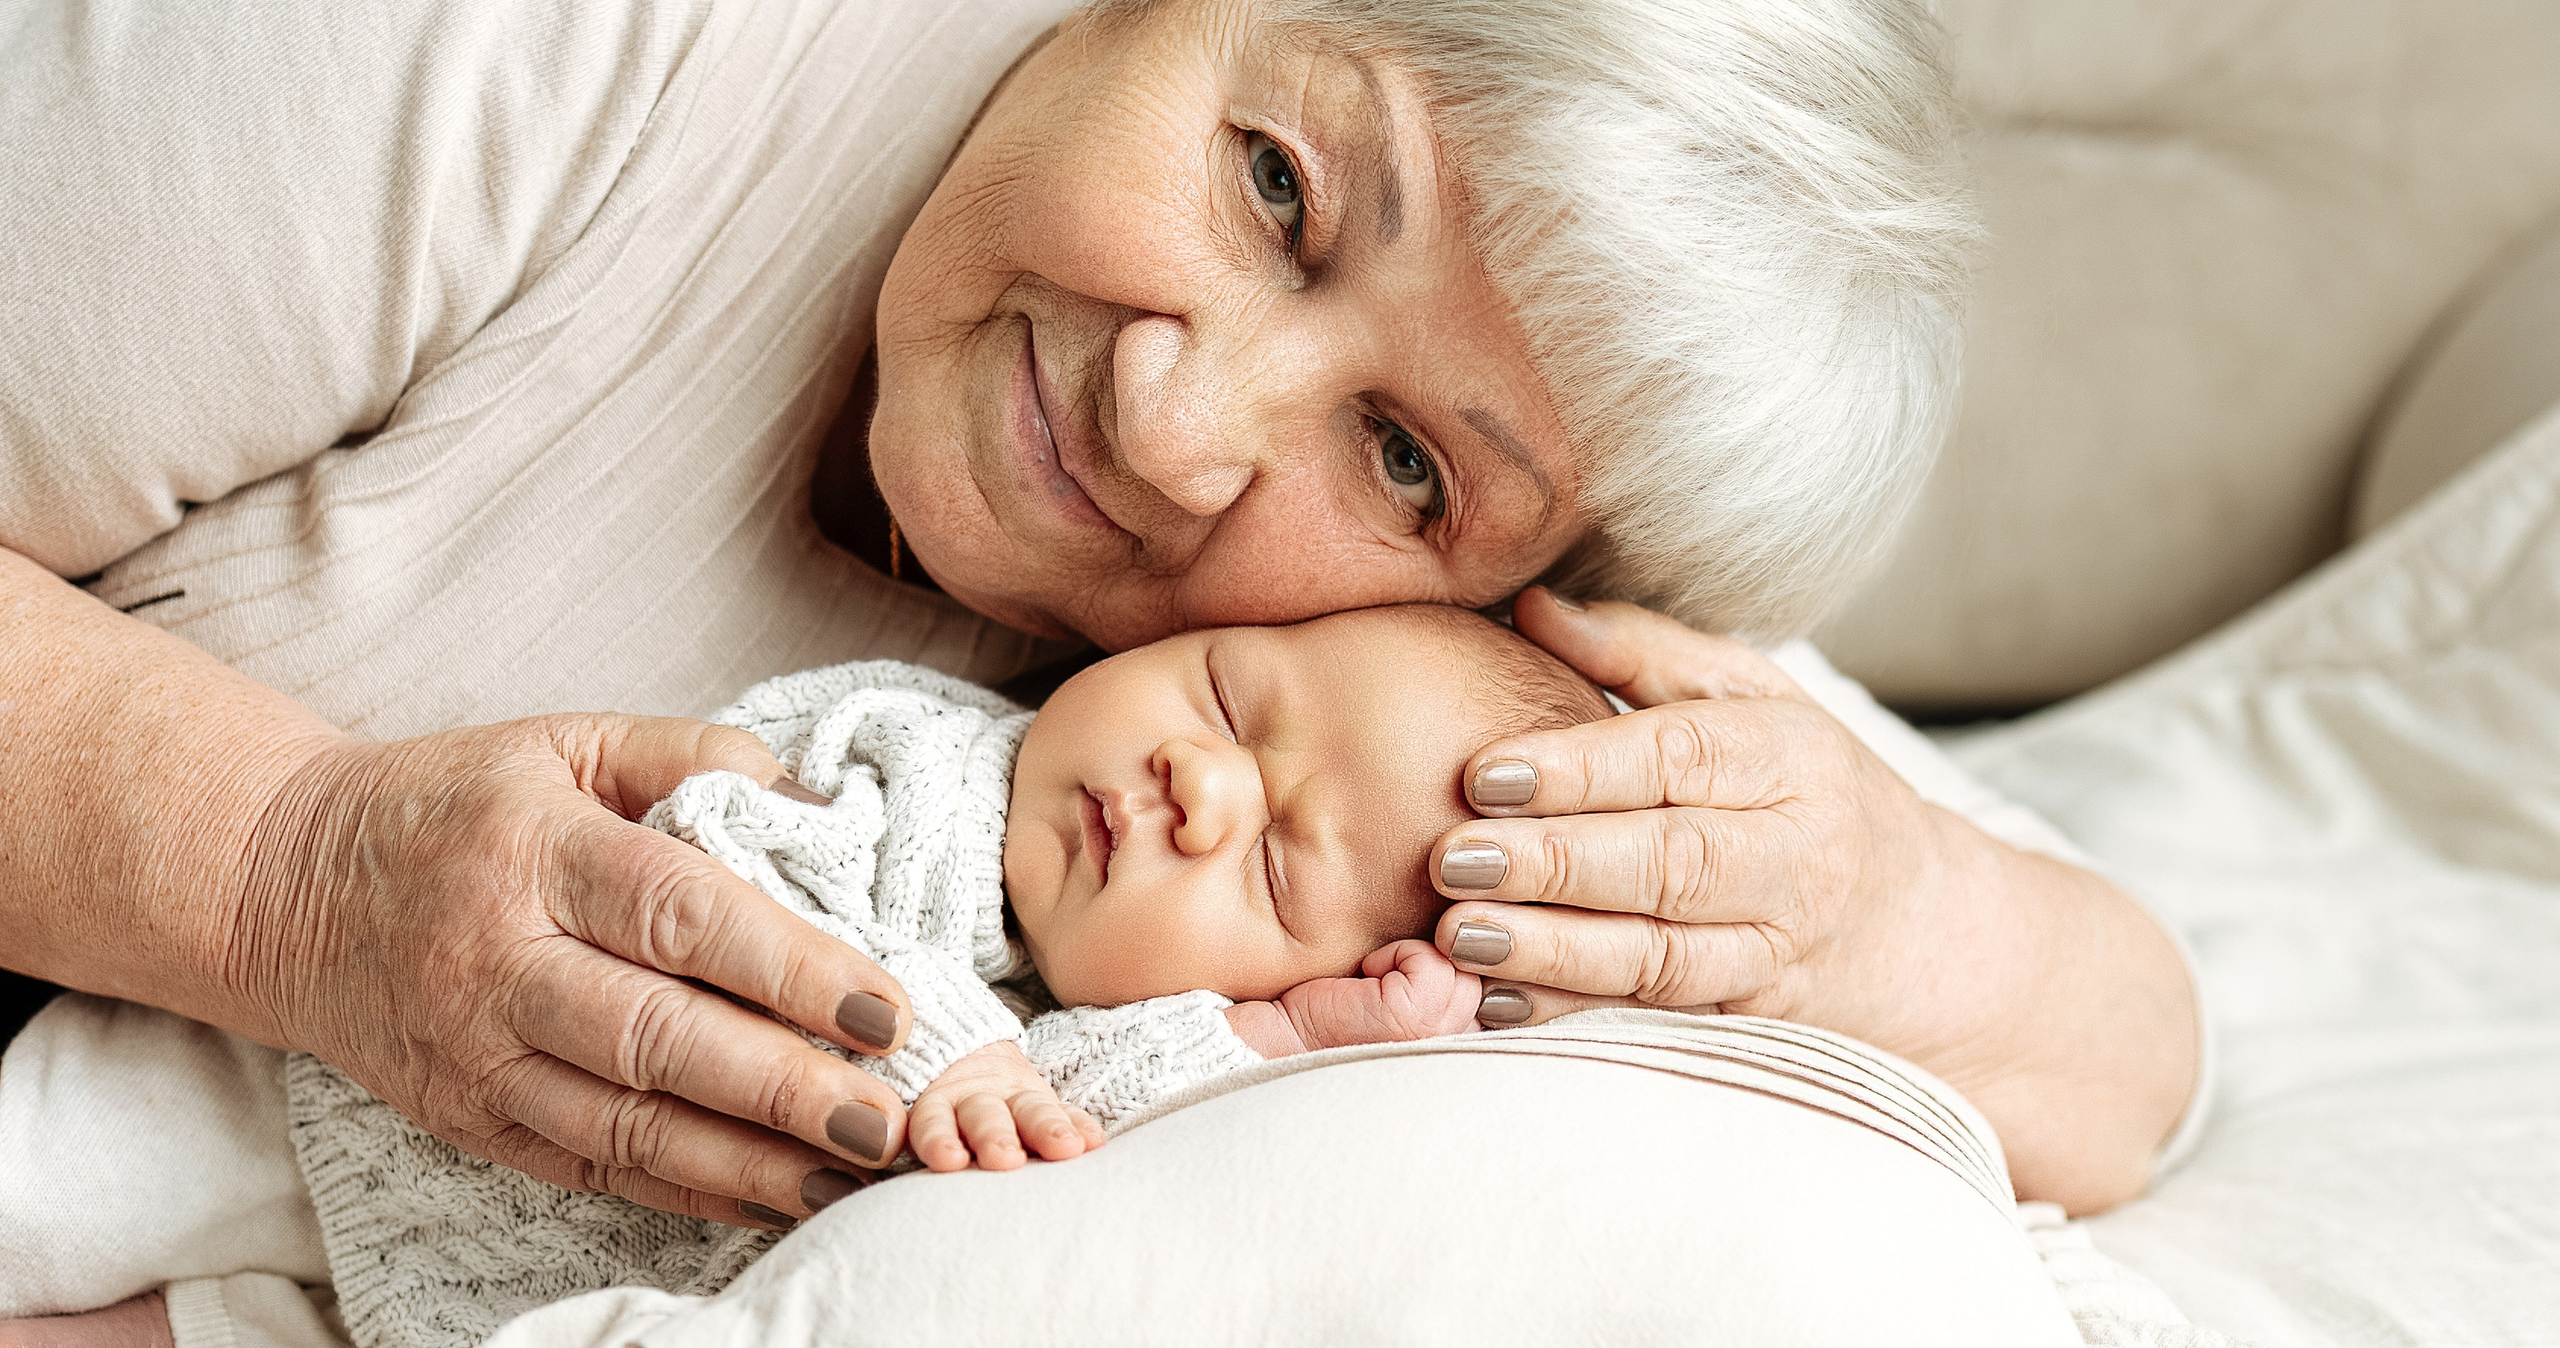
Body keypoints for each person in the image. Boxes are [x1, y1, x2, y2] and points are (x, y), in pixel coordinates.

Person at [0, 0, 2199, 1327]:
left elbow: (2119, 1057)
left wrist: (1880, 898)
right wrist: (283, 869)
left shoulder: (1418, 696)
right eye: (1274, 187)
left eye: (1408, 462)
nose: (1175, 419)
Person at [11, 603, 2080, 1348]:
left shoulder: (1133, 1041)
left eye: (1267, 851)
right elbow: (750, 886)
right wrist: (935, 1053)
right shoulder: (923, 753)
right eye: (1222, 690)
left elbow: (1104, 1105)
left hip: (444, 1279)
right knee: (51, 1176)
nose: (1188, 778)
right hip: (316, 1076)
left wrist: (1278, 1039)